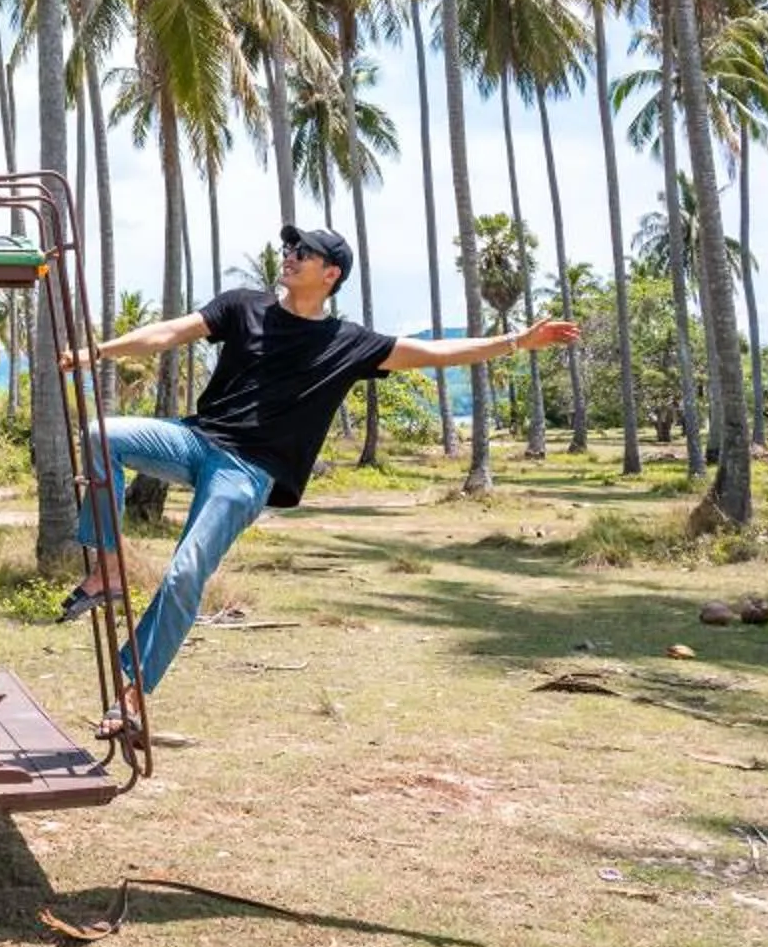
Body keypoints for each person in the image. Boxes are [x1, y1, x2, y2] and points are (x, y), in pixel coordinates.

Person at [59, 222, 579, 710]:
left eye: (302, 252)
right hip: (194, 439)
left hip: (246, 473)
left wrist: (516, 343)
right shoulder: (243, 306)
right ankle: (108, 567)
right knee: (101, 434)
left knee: (185, 573)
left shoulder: (347, 344)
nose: (289, 256)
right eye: (289, 248)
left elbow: (434, 352)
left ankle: (133, 689)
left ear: (331, 273)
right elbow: (170, 332)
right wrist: (97, 351)